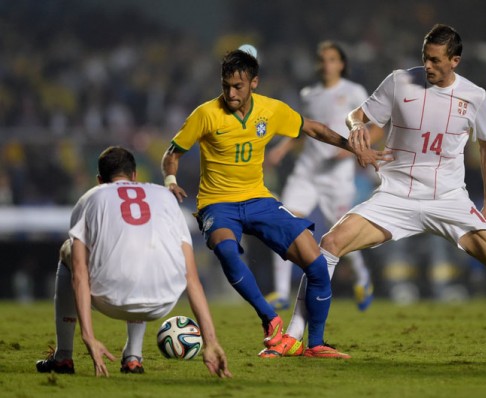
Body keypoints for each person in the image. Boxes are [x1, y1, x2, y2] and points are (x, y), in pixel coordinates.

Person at [273, 24, 486, 357]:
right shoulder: (400, 81)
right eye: (424, 58)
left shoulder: (475, 97)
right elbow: (357, 115)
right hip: (396, 196)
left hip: (448, 199)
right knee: (329, 244)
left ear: (455, 60)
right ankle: (294, 336)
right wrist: (357, 127)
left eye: (435, 60)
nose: (427, 66)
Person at [160, 49, 385, 359]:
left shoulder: (271, 110)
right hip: (218, 203)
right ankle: (270, 318)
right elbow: (172, 154)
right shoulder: (205, 114)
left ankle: (315, 344)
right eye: (225, 85)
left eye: (237, 86)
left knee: (317, 264)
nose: (230, 93)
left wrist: (353, 146)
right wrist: (171, 181)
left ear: (254, 83)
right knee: (226, 250)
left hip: (259, 199)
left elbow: (313, 128)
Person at [36, 146, 231, 377]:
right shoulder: (165, 196)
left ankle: (63, 357)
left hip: (109, 298)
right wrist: (211, 341)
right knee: (145, 248)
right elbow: (192, 278)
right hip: (163, 301)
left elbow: (79, 273)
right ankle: (133, 358)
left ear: (100, 180)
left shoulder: (91, 197)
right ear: (135, 175)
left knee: (68, 251)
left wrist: (88, 336)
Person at [265, 41, 374, 312]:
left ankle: (362, 278)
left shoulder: (353, 91)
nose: (326, 64)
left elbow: (373, 126)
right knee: (284, 222)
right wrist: (281, 148)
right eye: (322, 59)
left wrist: (352, 152)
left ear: (341, 64)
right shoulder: (309, 94)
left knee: (341, 234)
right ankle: (280, 291)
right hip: (307, 170)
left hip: (337, 175)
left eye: (332, 59)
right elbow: (304, 128)